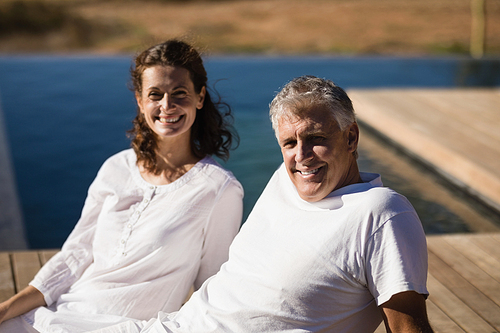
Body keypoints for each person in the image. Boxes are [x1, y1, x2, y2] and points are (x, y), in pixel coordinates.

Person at [96, 75, 433, 333]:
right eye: (289, 143)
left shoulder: (380, 213)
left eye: (316, 139)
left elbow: (408, 327)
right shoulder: (284, 181)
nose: (301, 157)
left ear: (350, 137)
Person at [0, 39, 243, 333]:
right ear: (140, 101)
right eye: (155, 95)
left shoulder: (218, 189)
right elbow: (74, 256)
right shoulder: (116, 167)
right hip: (58, 315)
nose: (167, 106)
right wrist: (7, 309)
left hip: (128, 328)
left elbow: (211, 289)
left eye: (180, 93)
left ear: (200, 97)